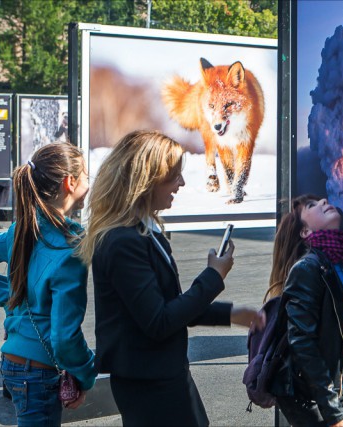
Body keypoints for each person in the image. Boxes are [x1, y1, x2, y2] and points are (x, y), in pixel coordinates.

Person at [76, 130, 265, 427]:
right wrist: (213, 276)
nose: (182, 183)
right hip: (148, 382)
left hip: (161, 375)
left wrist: (230, 313)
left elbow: (171, 308)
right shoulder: (123, 240)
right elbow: (159, 321)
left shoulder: (143, 231)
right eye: (174, 176)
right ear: (146, 180)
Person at [0, 143, 96, 426]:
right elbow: (65, 338)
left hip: (13, 360)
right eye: (86, 176)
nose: (88, 183)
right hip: (40, 371)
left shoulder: (20, 229)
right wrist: (86, 373)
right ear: (70, 183)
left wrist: (11, 297)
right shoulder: (70, 248)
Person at [267, 195, 343, 427]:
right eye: (312, 206)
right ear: (304, 232)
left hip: (340, 384)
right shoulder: (308, 268)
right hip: (308, 393)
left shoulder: (337, 263)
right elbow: (303, 343)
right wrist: (334, 414)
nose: (324, 200)